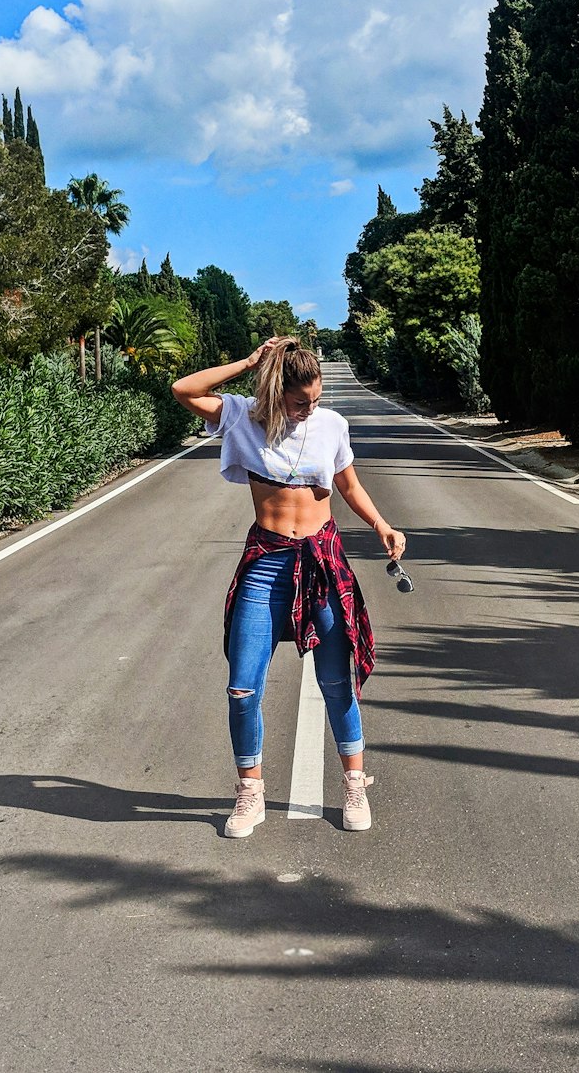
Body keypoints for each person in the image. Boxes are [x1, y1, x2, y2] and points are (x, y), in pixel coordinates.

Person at [172, 336, 406, 837]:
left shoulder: (331, 426)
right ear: (276, 391)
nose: (309, 410)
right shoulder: (242, 417)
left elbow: (347, 484)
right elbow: (183, 389)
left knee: (336, 681)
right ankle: (250, 793)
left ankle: (353, 783)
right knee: (242, 688)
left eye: (316, 400)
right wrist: (249, 361)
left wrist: (382, 525)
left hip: (322, 561)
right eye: (300, 401)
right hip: (266, 564)